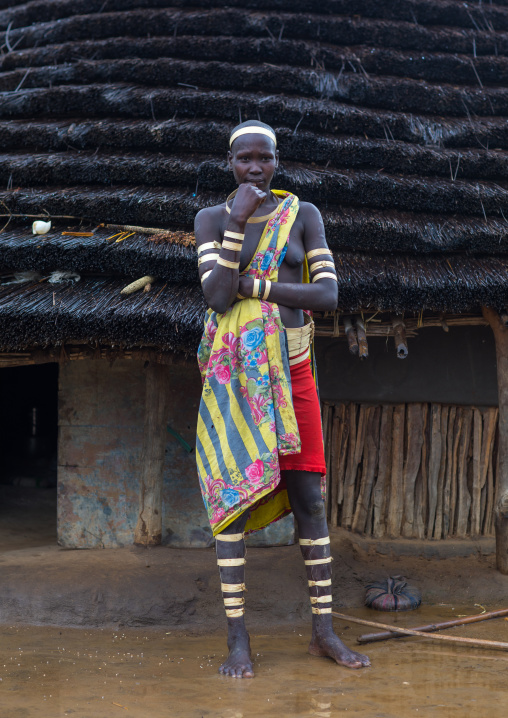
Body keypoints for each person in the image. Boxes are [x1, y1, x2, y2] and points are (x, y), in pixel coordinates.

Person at [194, 120, 370, 678]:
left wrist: (258, 286)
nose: (255, 168)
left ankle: (323, 631)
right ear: (231, 163)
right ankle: (238, 642)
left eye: (264, 159)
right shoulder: (210, 220)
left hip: (294, 371)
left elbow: (327, 294)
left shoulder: (304, 215)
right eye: (244, 159)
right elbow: (217, 297)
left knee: (311, 500)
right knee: (234, 505)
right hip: (236, 378)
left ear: (276, 160)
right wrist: (238, 221)